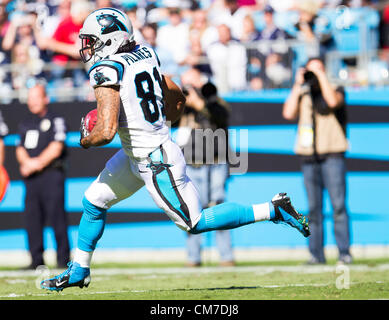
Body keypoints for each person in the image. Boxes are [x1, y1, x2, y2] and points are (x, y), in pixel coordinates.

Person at [40, 7, 309, 291]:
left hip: (154, 159)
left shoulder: (106, 69)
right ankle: (79, 269)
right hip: (140, 153)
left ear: (110, 38)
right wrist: (166, 116)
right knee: (93, 201)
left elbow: (105, 133)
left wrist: (85, 138)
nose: (89, 47)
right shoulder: (145, 53)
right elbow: (173, 90)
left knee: (194, 222)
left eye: (93, 39)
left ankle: (274, 209)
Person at [282, 57, 352, 265]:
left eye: (318, 69)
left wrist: (321, 76)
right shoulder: (303, 92)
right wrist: (298, 84)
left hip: (332, 155)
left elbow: (332, 102)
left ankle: (344, 253)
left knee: (338, 206)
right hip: (308, 157)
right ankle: (316, 254)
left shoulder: (335, 88)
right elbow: (287, 113)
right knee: (313, 210)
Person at [178, 68, 234, 267]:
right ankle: (193, 257)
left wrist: (199, 103)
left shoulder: (213, 98)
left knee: (218, 206)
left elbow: (220, 117)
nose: (189, 88)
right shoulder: (183, 104)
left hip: (216, 161)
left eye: (192, 83)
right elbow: (171, 121)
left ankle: (226, 256)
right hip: (192, 163)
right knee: (193, 209)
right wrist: (183, 102)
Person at [16, 83, 70, 269]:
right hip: (32, 179)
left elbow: (57, 147)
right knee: (32, 219)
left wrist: (36, 164)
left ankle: (63, 260)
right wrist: (27, 163)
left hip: (51, 174)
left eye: (36, 97)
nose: (32, 102)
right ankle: (36, 261)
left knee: (57, 218)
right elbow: (20, 147)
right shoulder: (25, 122)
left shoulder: (56, 119)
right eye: (30, 98)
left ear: (45, 98)